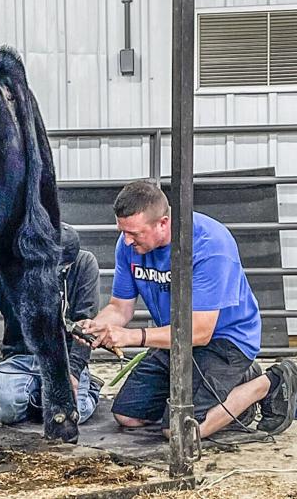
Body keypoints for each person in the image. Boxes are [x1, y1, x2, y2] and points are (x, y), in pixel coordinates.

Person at [83, 180, 297, 438]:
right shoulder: (128, 245)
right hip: (174, 339)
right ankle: (232, 387)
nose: (127, 241)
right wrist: (101, 324)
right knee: (127, 416)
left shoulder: (210, 246)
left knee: (179, 432)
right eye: (123, 231)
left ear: (163, 223)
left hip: (225, 340)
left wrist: (132, 336)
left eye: (134, 233)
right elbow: (120, 307)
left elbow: (201, 332)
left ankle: (269, 382)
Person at [0, 223, 102, 425]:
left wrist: (72, 373)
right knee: (1, 409)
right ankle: (38, 398)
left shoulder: (84, 264)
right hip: (21, 357)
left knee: (73, 415)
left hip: (64, 359)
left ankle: (88, 389)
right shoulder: (12, 268)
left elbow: (86, 324)